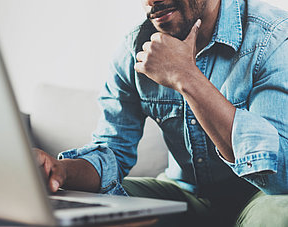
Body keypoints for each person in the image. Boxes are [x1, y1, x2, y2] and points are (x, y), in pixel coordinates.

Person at [34, 0, 288, 226]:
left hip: (260, 197)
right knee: (85, 201)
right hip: (183, 192)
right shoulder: (134, 49)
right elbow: (113, 152)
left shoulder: (273, 36)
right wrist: (61, 170)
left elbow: (281, 178)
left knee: (281, 211)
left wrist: (187, 77)